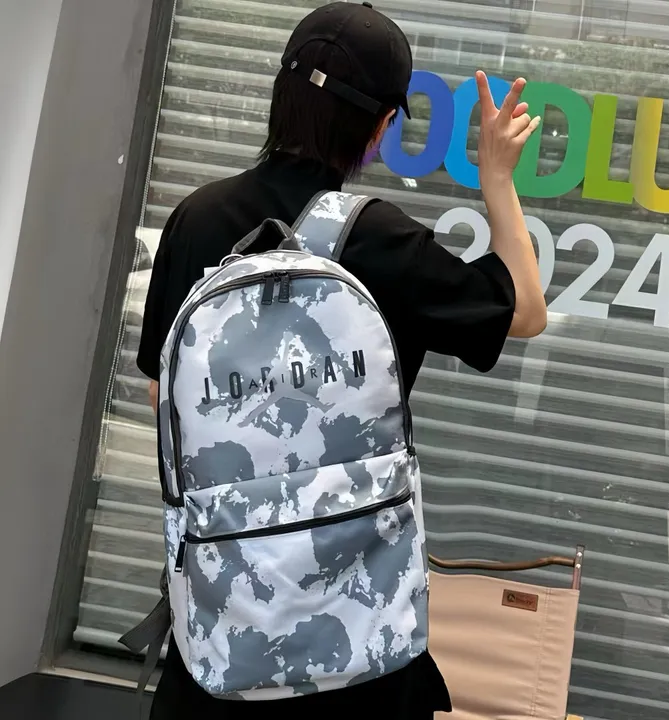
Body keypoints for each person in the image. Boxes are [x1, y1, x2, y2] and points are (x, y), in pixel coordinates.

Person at [137, 2, 547, 718]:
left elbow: (160, 399)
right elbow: (526, 312)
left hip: (219, 632)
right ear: (381, 127)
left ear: (281, 94)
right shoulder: (379, 240)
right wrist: (498, 178)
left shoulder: (196, 218)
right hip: (355, 643)